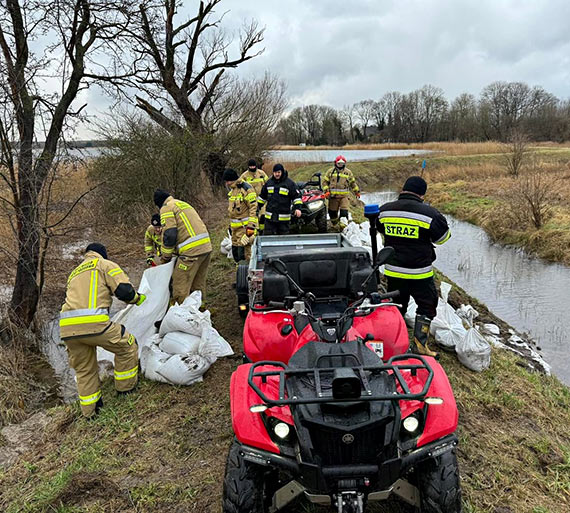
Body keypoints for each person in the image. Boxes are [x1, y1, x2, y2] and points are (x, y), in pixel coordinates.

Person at [59, 243, 146, 418]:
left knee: (84, 369)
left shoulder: (74, 273)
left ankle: (91, 412)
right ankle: (125, 390)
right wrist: (138, 299)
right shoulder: (104, 265)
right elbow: (124, 291)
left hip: (67, 329)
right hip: (95, 324)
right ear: (102, 254)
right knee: (127, 346)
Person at [376, 176, 451, 358]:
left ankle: (394, 341)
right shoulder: (430, 214)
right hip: (419, 273)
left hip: (393, 270)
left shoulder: (384, 211)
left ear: (403, 190)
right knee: (427, 305)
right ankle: (419, 344)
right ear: (422, 194)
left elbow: (379, 229)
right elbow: (443, 238)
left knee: (396, 305)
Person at [154, 189, 212, 304]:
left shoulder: (166, 208)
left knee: (180, 285)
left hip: (191, 253)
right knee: (198, 285)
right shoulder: (181, 203)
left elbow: (169, 234)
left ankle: (181, 315)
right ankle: (200, 313)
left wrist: (166, 257)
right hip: (205, 248)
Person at [223, 168, 258, 262]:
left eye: (228, 181)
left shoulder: (246, 189)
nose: (227, 183)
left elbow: (254, 209)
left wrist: (250, 230)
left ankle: (246, 274)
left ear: (233, 179)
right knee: (236, 255)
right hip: (235, 231)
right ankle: (239, 272)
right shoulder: (232, 191)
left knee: (246, 255)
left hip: (245, 229)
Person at [257, 163, 302, 235]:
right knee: (268, 239)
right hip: (270, 220)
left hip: (283, 220)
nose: (277, 174)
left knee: (283, 241)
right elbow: (262, 197)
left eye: (278, 172)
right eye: (275, 172)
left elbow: (296, 197)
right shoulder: (269, 183)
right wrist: (256, 208)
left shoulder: (289, 183)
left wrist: (298, 208)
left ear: (282, 172)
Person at [323, 155, 360, 228]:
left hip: (344, 197)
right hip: (333, 197)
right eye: (339, 163)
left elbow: (353, 183)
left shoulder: (348, 172)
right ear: (335, 163)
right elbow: (325, 182)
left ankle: (343, 227)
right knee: (332, 213)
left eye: (342, 164)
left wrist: (357, 191)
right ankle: (335, 224)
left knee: (344, 212)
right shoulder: (330, 172)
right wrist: (326, 191)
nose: (340, 165)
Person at [240, 159, 268, 232]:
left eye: (253, 166)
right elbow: (240, 188)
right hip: (251, 200)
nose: (252, 168)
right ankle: (255, 232)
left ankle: (262, 231)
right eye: (251, 166)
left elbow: (268, 183)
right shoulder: (244, 176)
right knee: (254, 217)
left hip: (262, 199)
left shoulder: (261, 173)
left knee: (263, 216)